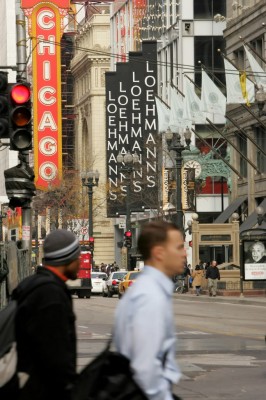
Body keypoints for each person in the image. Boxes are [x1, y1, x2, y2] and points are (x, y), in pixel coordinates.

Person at [114, 221, 186, 400]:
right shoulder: (149, 297)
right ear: (159, 253)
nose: (184, 254)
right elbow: (145, 367)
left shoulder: (145, 290)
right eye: (179, 247)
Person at [12, 229, 81, 400]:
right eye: (77, 257)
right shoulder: (50, 294)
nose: (80, 263)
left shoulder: (33, 284)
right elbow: (55, 355)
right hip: (42, 391)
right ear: (67, 258)